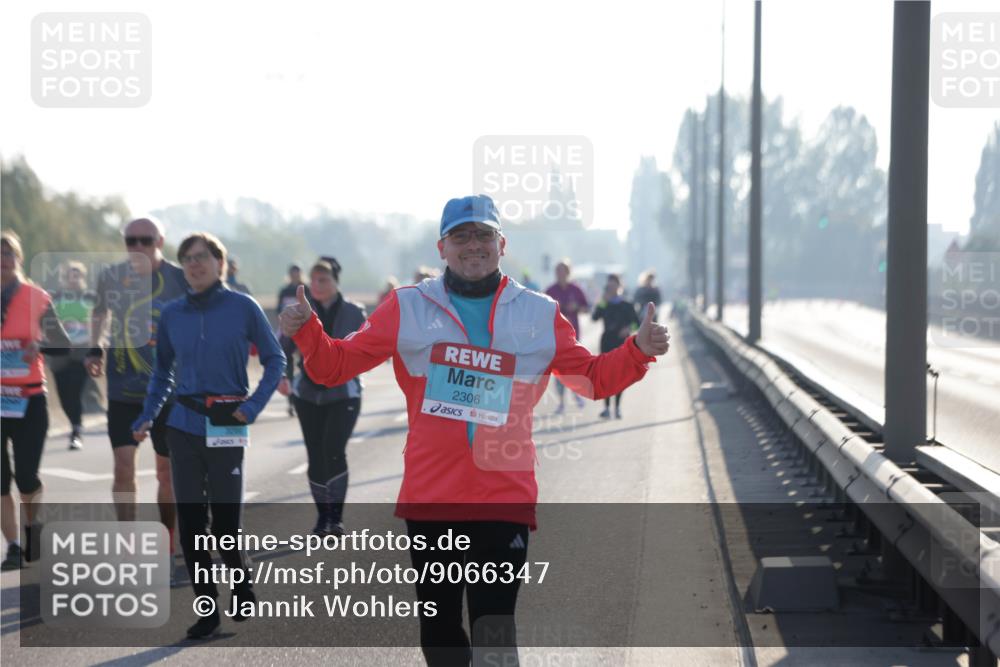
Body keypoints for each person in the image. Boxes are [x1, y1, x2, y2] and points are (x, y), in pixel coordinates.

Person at [280, 194, 670, 665]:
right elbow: (334, 366)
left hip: (503, 493)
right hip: (432, 494)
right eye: (460, 236)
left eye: (483, 234)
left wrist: (637, 350)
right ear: (441, 247)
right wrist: (307, 331)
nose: (473, 245)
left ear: (501, 243)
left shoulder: (538, 313)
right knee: (441, 630)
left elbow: (590, 378)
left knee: (493, 630)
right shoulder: (408, 306)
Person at [133, 231, 284, 639]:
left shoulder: (243, 307)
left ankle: (240, 583)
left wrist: (252, 407)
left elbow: (275, 360)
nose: (195, 264)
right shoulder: (172, 314)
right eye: (188, 259)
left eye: (203, 257)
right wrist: (149, 414)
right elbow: (163, 371)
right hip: (182, 423)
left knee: (225, 524)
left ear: (220, 263)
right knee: (194, 525)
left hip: (227, 421)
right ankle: (207, 611)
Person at [85, 217, 187, 565]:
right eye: (131, 241)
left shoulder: (179, 277)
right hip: (122, 390)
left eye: (145, 240)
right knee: (123, 468)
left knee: (166, 472)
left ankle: (168, 538)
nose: (138, 247)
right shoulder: (111, 277)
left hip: (168, 392)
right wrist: (95, 347)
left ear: (161, 239)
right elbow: (99, 313)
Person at [278, 258, 366, 537]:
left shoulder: (354, 311)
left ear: (336, 281)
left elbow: (367, 348)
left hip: (344, 393)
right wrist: (283, 376)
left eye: (324, 279)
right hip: (307, 394)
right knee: (315, 455)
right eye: (314, 279)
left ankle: (336, 519)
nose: (318, 284)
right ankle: (322, 518)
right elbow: (282, 347)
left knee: (333, 450)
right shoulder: (299, 310)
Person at [1, 232, 72, 570]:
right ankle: (13, 546)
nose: (2, 260)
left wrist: (38, 346)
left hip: (30, 400)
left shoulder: (36, 297)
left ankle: (31, 525)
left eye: (7, 254)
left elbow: (62, 343)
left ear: (19, 258)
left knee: (27, 477)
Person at [48, 261, 97, 450]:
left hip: (82, 351)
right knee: (63, 395)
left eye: (77, 275)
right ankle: (74, 424)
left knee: (75, 392)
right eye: (70, 275)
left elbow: (100, 322)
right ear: (65, 278)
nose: (74, 279)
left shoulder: (91, 298)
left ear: (83, 278)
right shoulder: (56, 298)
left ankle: (76, 431)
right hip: (59, 353)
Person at [592, 274, 640, 419]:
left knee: (619, 376)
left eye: (614, 286)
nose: (611, 289)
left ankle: (617, 407)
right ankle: (606, 408)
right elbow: (594, 318)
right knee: (605, 375)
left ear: (619, 286)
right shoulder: (604, 304)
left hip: (621, 343)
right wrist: (602, 302)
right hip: (606, 342)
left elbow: (637, 323)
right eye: (609, 286)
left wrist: (628, 329)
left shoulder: (627, 304)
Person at [544, 259, 589, 413]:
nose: (560, 274)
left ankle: (577, 394)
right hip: (555, 336)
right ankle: (562, 403)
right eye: (558, 271)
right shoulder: (550, 291)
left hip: (573, 335)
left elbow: (586, 308)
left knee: (574, 367)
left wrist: (577, 307)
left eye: (563, 271)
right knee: (558, 370)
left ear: (568, 273)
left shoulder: (576, 289)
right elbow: (541, 312)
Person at [277, 264, 309, 417]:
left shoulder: (306, 289)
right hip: (288, 332)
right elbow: (279, 311)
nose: (295, 276)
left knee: (306, 364)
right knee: (287, 365)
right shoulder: (284, 291)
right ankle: (291, 401)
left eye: (297, 273)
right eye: (292, 273)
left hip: (304, 331)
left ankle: (304, 394)